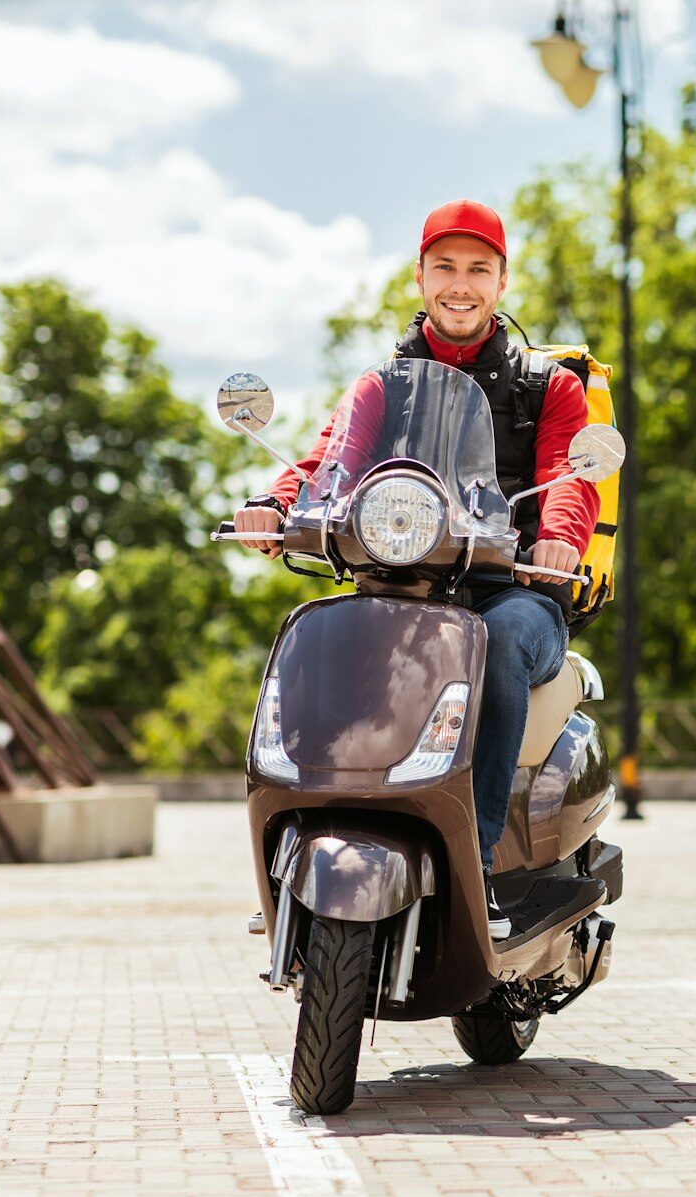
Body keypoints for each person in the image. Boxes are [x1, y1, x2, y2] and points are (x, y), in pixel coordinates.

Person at [234, 199, 599, 939]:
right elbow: (327, 461)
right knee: (322, 638)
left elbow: (569, 475)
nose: (459, 284)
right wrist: (273, 506)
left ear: (501, 281)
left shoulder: (546, 387)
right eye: (445, 267)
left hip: (514, 592)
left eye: (477, 269)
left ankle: (484, 859)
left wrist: (558, 539)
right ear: (420, 276)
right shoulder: (382, 385)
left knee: (494, 648)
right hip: (403, 586)